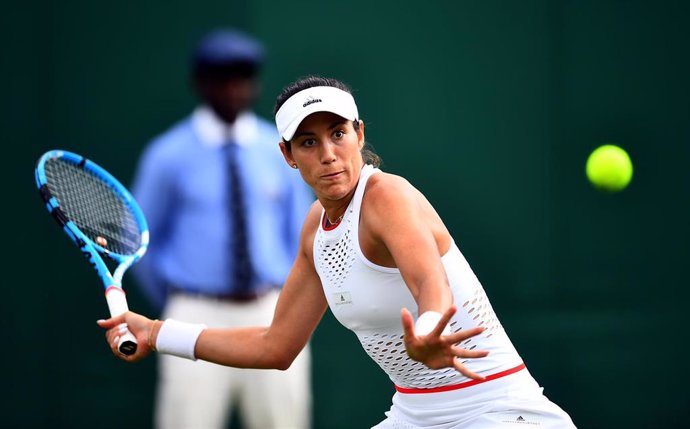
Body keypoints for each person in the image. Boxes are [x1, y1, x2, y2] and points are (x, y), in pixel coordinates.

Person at [103, 75, 577, 428]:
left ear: (359, 134)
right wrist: (159, 333)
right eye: (308, 142)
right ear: (288, 155)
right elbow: (275, 346)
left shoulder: (387, 196)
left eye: (338, 134)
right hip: (414, 414)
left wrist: (428, 329)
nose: (328, 153)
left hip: (496, 410)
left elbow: (430, 283)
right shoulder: (317, 230)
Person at [129, 29, 314, 429]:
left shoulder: (278, 150)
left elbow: (301, 234)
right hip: (195, 310)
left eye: (244, 80)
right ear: (201, 84)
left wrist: (284, 299)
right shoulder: (168, 155)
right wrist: (180, 299)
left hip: (271, 311)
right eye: (223, 80)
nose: (235, 90)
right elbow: (141, 240)